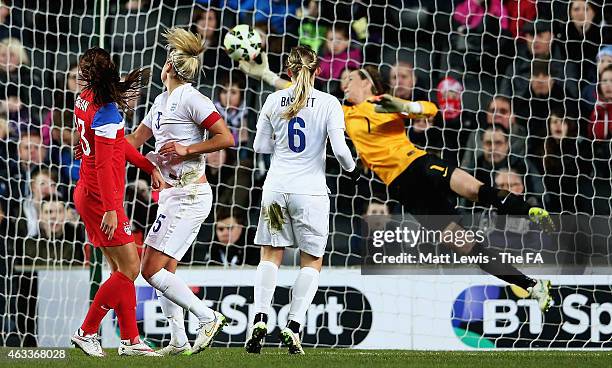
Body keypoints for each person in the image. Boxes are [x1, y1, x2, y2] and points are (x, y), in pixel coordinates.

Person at [240, 52, 554, 313]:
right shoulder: (340, 111)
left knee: (474, 190)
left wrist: (404, 107)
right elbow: (301, 94)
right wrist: (267, 75)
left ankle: (532, 211)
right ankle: (531, 284)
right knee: (463, 245)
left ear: (365, 81)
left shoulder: (381, 103)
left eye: (349, 80)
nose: (344, 85)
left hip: (419, 164)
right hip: (402, 188)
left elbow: (431, 109)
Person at [126, 28, 234, 356]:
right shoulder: (160, 101)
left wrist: (188, 149)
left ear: (169, 68)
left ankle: (206, 316)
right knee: (165, 271)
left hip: (190, 194)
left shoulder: (192, 98)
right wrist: (99, 144)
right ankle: (178, 339)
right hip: (171, 195)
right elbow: (134, 141)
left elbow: (225, 137)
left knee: (150, 269)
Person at [244, 46, 357, 355]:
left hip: (276, 191)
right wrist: (353, 171)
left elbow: (260, 147)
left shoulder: (272, 100)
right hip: (311, 196)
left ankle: (260, 318)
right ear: (317, 71)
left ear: (288, 71)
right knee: (312, 260)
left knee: (271, 254)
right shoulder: (329, 102)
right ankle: (292, 326)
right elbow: (341, 151)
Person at [69, 47, 164, 357]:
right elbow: (103, 165)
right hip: (100, 198)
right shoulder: (108, 112)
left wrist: (148, 166)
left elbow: (116, 145)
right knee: (130, 268)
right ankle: (86, 331)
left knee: (119, 269)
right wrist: (112, 208)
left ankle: (130, 340)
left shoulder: (84, 97)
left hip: (88, 192)